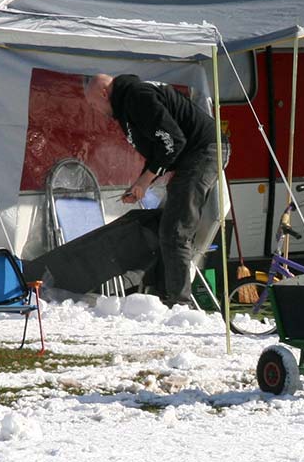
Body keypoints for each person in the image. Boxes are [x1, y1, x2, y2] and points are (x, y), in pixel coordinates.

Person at [83, 73, 227, 307]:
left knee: (175, 229)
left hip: (204, 152)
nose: (94, 109)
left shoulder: (137, 96)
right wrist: (143, 182)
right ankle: (161, 294)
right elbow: (159, 149)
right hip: (195, 156)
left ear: (103, 93)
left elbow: (173, 141)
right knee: (167, 224)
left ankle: (179, 303)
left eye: (92, 103)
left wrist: (144, 181)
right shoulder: (126, 104)